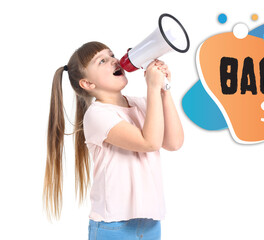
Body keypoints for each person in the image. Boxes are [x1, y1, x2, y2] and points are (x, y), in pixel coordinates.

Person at [42, 41, 184, 240]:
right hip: (114, 227)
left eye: (111, 55)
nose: (113, 60)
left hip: (150, 223)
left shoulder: (142, 104)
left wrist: (163, 90)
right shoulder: (97, 114)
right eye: (102, 61)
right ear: (88, 84)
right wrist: (152, 88)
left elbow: (174, 142)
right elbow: (149, 143)